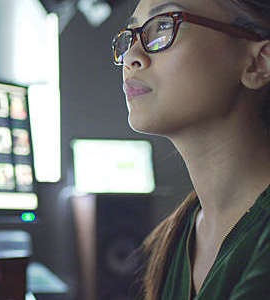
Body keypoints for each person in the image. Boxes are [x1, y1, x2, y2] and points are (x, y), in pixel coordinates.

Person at [111, 0, 270, 299]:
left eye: (163, 27)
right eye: (129, 36)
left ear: (257, 63)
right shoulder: (174, 236)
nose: (132, 56)